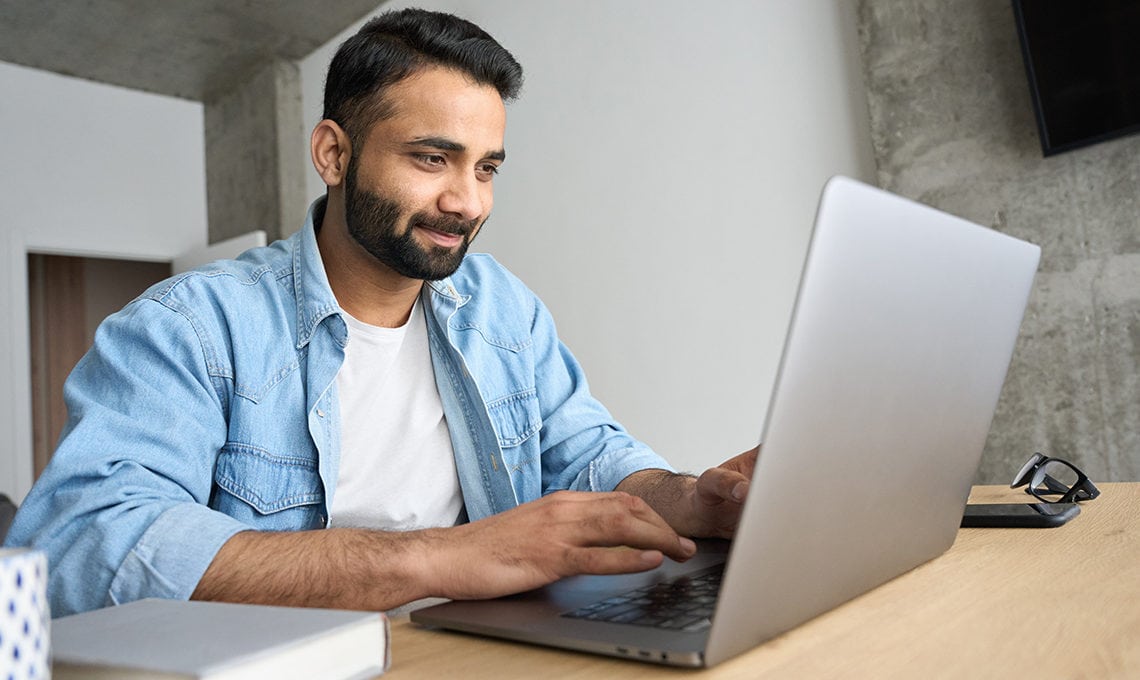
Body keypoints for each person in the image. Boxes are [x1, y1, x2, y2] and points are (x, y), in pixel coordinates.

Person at [5, 8, 757, 617]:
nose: (467, 201)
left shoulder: (502, 309)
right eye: (432, 158)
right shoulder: (191, 326)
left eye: (485, 167)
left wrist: (690, 500)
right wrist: (444, 557)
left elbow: (587, 453)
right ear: (334, 154)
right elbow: (81, 545)